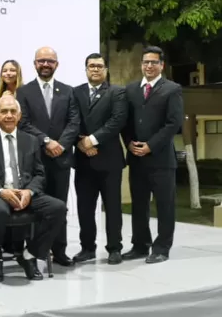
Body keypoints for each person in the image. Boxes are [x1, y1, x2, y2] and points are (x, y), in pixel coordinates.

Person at [0, 96, 67, 281]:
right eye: (4, 112)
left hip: (25, 191)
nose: (9, 115)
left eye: (12, 111)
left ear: (20, 115)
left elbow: (40, 174)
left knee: (58, 208)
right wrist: (1, 192)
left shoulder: (31, 140)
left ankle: (30, 255)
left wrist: (29, 192)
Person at [16, 47, 80, 267]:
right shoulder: (23, 92)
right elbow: (23, 123)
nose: (45, 64)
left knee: (60, 206)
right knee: (35, 208)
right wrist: (46, 141)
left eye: (50, 61)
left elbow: (74, 122)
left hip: (61, 159)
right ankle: (32, 252)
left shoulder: (68, 91)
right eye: (41, 60)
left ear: (57, 64)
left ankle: (59, 251)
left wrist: (61, 145)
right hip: (35, 159)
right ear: (34, 64)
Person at [121, 46, 183, 264]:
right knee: (139, 205)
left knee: (165, 205)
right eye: (146, 62)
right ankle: (140, 245)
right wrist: (129, 143)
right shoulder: (130, 90)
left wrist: (151, 145)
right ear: (141, 64)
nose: (149, 66)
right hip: (136, 159)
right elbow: (124, 122)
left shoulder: (172, 89)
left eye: (154, 62)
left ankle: (162, 248)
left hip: (162, 160)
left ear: (161, 65)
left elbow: (173, 123)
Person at [73, 53, 127, 265]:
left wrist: (92, 140)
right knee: (85, 208)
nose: (95, 70)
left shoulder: (117, 93)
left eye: (99, 66)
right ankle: (87, 248)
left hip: (110, 160)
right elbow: (71, 119)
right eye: (91, 66)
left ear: (106, 70)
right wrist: (81, 142)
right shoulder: (75, 92)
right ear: (86, 69)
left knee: (113, 207)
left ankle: (114, 248)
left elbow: (117, 121)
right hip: (84, 160)